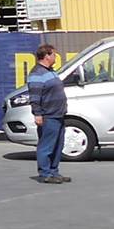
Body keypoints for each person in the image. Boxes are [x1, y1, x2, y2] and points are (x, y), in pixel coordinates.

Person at [26, 44, 70, 184]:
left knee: (58, 145)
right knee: (46, 146)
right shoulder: (37, 74)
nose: (56, 57)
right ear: (46, 56)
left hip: (58, 114)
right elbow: (35, 97)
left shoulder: (51, 71)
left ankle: (54, 171)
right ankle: (45, 173)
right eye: (54, 55)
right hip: (48, 115)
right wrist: (37, 114)